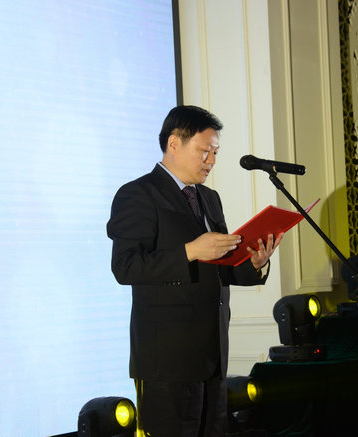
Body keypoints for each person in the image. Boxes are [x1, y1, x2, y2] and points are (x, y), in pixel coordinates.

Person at [106, 105, 282, 437]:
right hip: (166, 362)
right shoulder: (137, 194)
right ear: (174, 143)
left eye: (215, 152)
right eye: (205, 151)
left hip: (212, 355)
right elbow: (125, 266)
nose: (212, 160)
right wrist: (190, 251)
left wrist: (255, 263)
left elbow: (220, 268)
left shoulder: (209, 198)